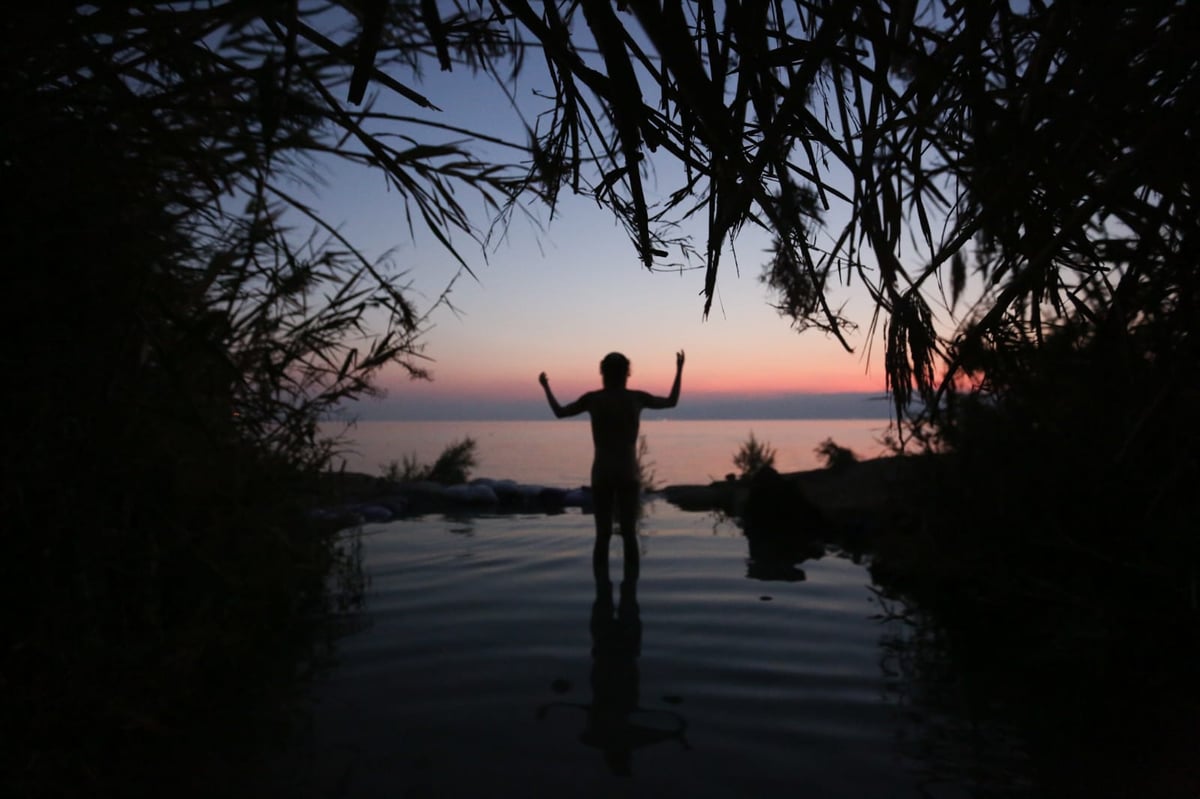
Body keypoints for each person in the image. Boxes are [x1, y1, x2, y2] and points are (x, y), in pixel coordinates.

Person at [538, 351, 684, 596]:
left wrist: (545, 387)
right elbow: (671, 401)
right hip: (627, 473)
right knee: (629, 534)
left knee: (602, 535)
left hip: (603, 473)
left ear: (602, 373)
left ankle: (601, 593)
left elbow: (560, 412)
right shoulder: (636, 398)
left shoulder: (594, 400)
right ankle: (631, 592)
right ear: (627, 373)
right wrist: (679, 370)